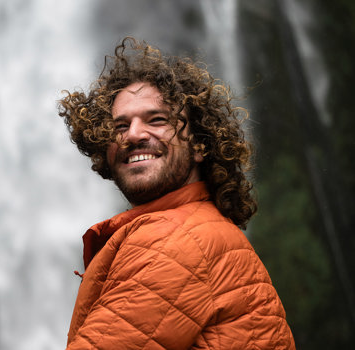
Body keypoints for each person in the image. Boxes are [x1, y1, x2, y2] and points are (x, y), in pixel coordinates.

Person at [57, 37, 295, 349]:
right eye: (119, 127)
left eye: (157, 120)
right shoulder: (200, 229)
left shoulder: (174, 241)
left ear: (200, 145)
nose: (133, 134)